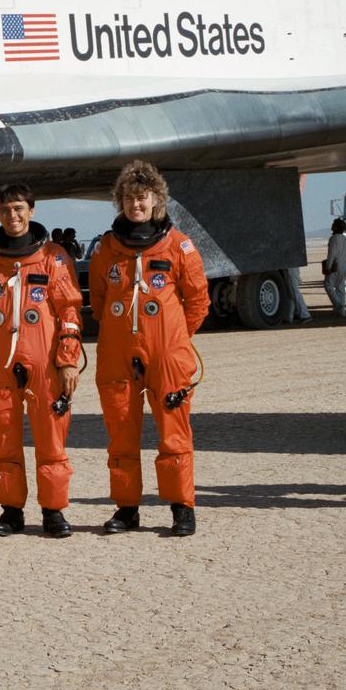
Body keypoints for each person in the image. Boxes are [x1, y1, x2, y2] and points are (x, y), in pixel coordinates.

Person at [89, 160, 209, 537]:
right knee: (121, 432)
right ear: (120, 202)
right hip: (117, 352)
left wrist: (172, 338)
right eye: (128, 198)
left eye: (142, 197)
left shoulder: (179, 245)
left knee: (174, 432)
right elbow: (99, 297)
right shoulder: (107, 248)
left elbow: (198, 300)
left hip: (166, 355)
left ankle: (181, 507)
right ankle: (127, 509)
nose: (135, 205)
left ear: (156, 200)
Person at [0, 181, 83, 538]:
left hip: (45, 366)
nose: (12, 216)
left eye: (18, 208)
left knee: (51, 440)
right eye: (5, 210)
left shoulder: (53, 257)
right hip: (0, 367)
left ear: (31, 210)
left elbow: (70, 313)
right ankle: (11, 511)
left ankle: (53, 511)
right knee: (4, 440)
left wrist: (68, 360)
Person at [324, 218, 346, 318]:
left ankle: (338, 305)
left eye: (333, 224)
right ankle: (342, 312)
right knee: (340, 288)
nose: (332, 225)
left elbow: (331, 255)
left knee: (328, 285)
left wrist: (328, 267)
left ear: (336, 227)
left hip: (335, 266)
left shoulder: (334, 239)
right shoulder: (345, 238)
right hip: (344, 266)